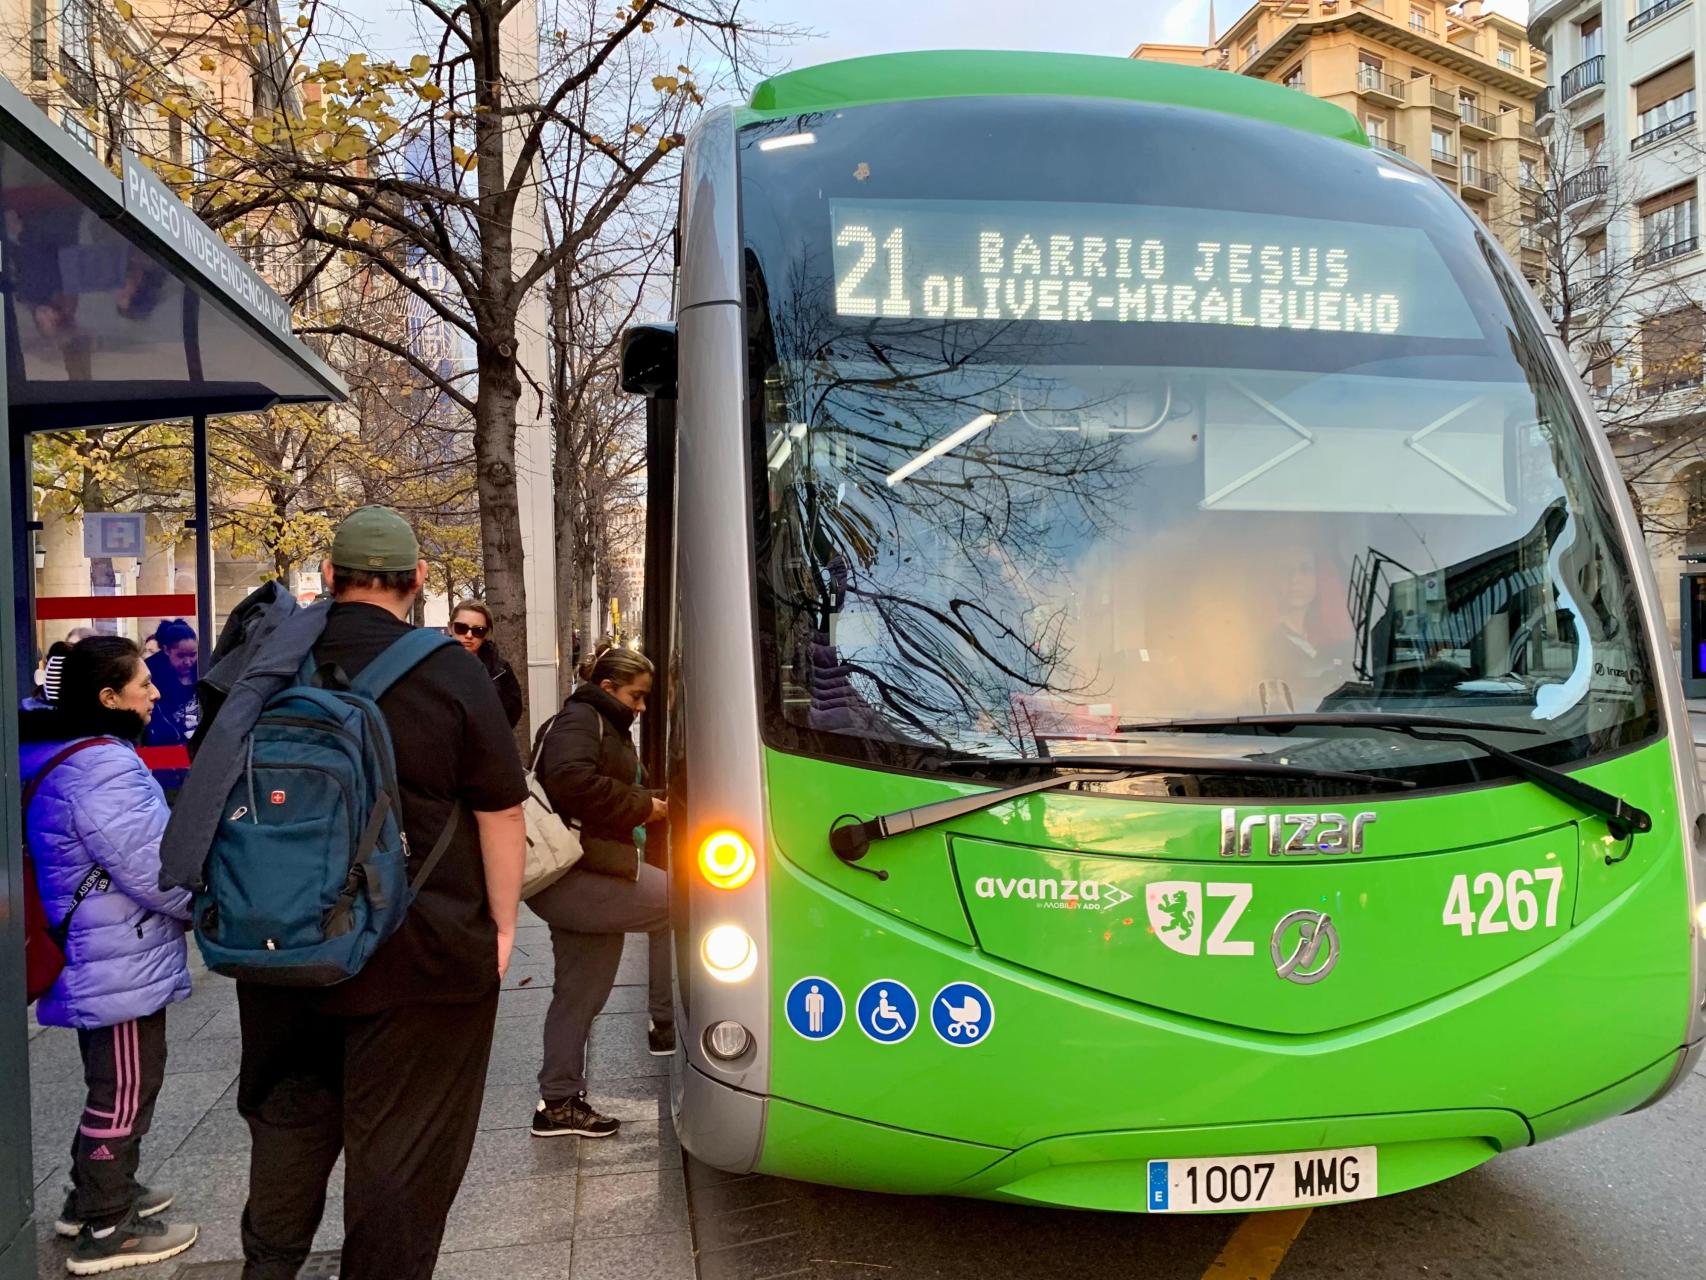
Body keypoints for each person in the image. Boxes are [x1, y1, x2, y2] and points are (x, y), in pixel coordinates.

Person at [226, 507, 526, 1280]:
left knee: (289, 1122)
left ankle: (269, 1265)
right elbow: (500, 809)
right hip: (418, 954)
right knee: (403, 1153)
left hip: (282, 943)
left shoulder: (267, 662)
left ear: (329, 577)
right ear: (418, 580)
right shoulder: (450, 668)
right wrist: (498, 928)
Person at [22, 636, 199, 1274]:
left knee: (115, 1079)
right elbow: (156, 870)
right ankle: (107, 1223)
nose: (154, 694)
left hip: (92, 948)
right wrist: (202, 906)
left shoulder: (57, 750)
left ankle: (93, 1194)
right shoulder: (104, 766)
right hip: (115, 952)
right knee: (126, 1085)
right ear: (108, 697)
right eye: (143, 684)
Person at [527, 646, 671, 1139]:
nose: (642, 707)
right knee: (696, 902)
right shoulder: (581, 721)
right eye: (637, 696)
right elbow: (570, 781)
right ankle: (668, 1023)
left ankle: (559, 1104)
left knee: (579, 994)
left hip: (577, 877)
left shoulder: (590, 721)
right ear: (608, 688)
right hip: (582, 876)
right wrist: (642, 805)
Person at [450, 599, 523, 728]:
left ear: (486, 633)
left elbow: (512, 712)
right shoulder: (434, 665)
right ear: (450, 628)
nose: (469, 635)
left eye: (478, 630)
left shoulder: (501, 670)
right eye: (461, 628)